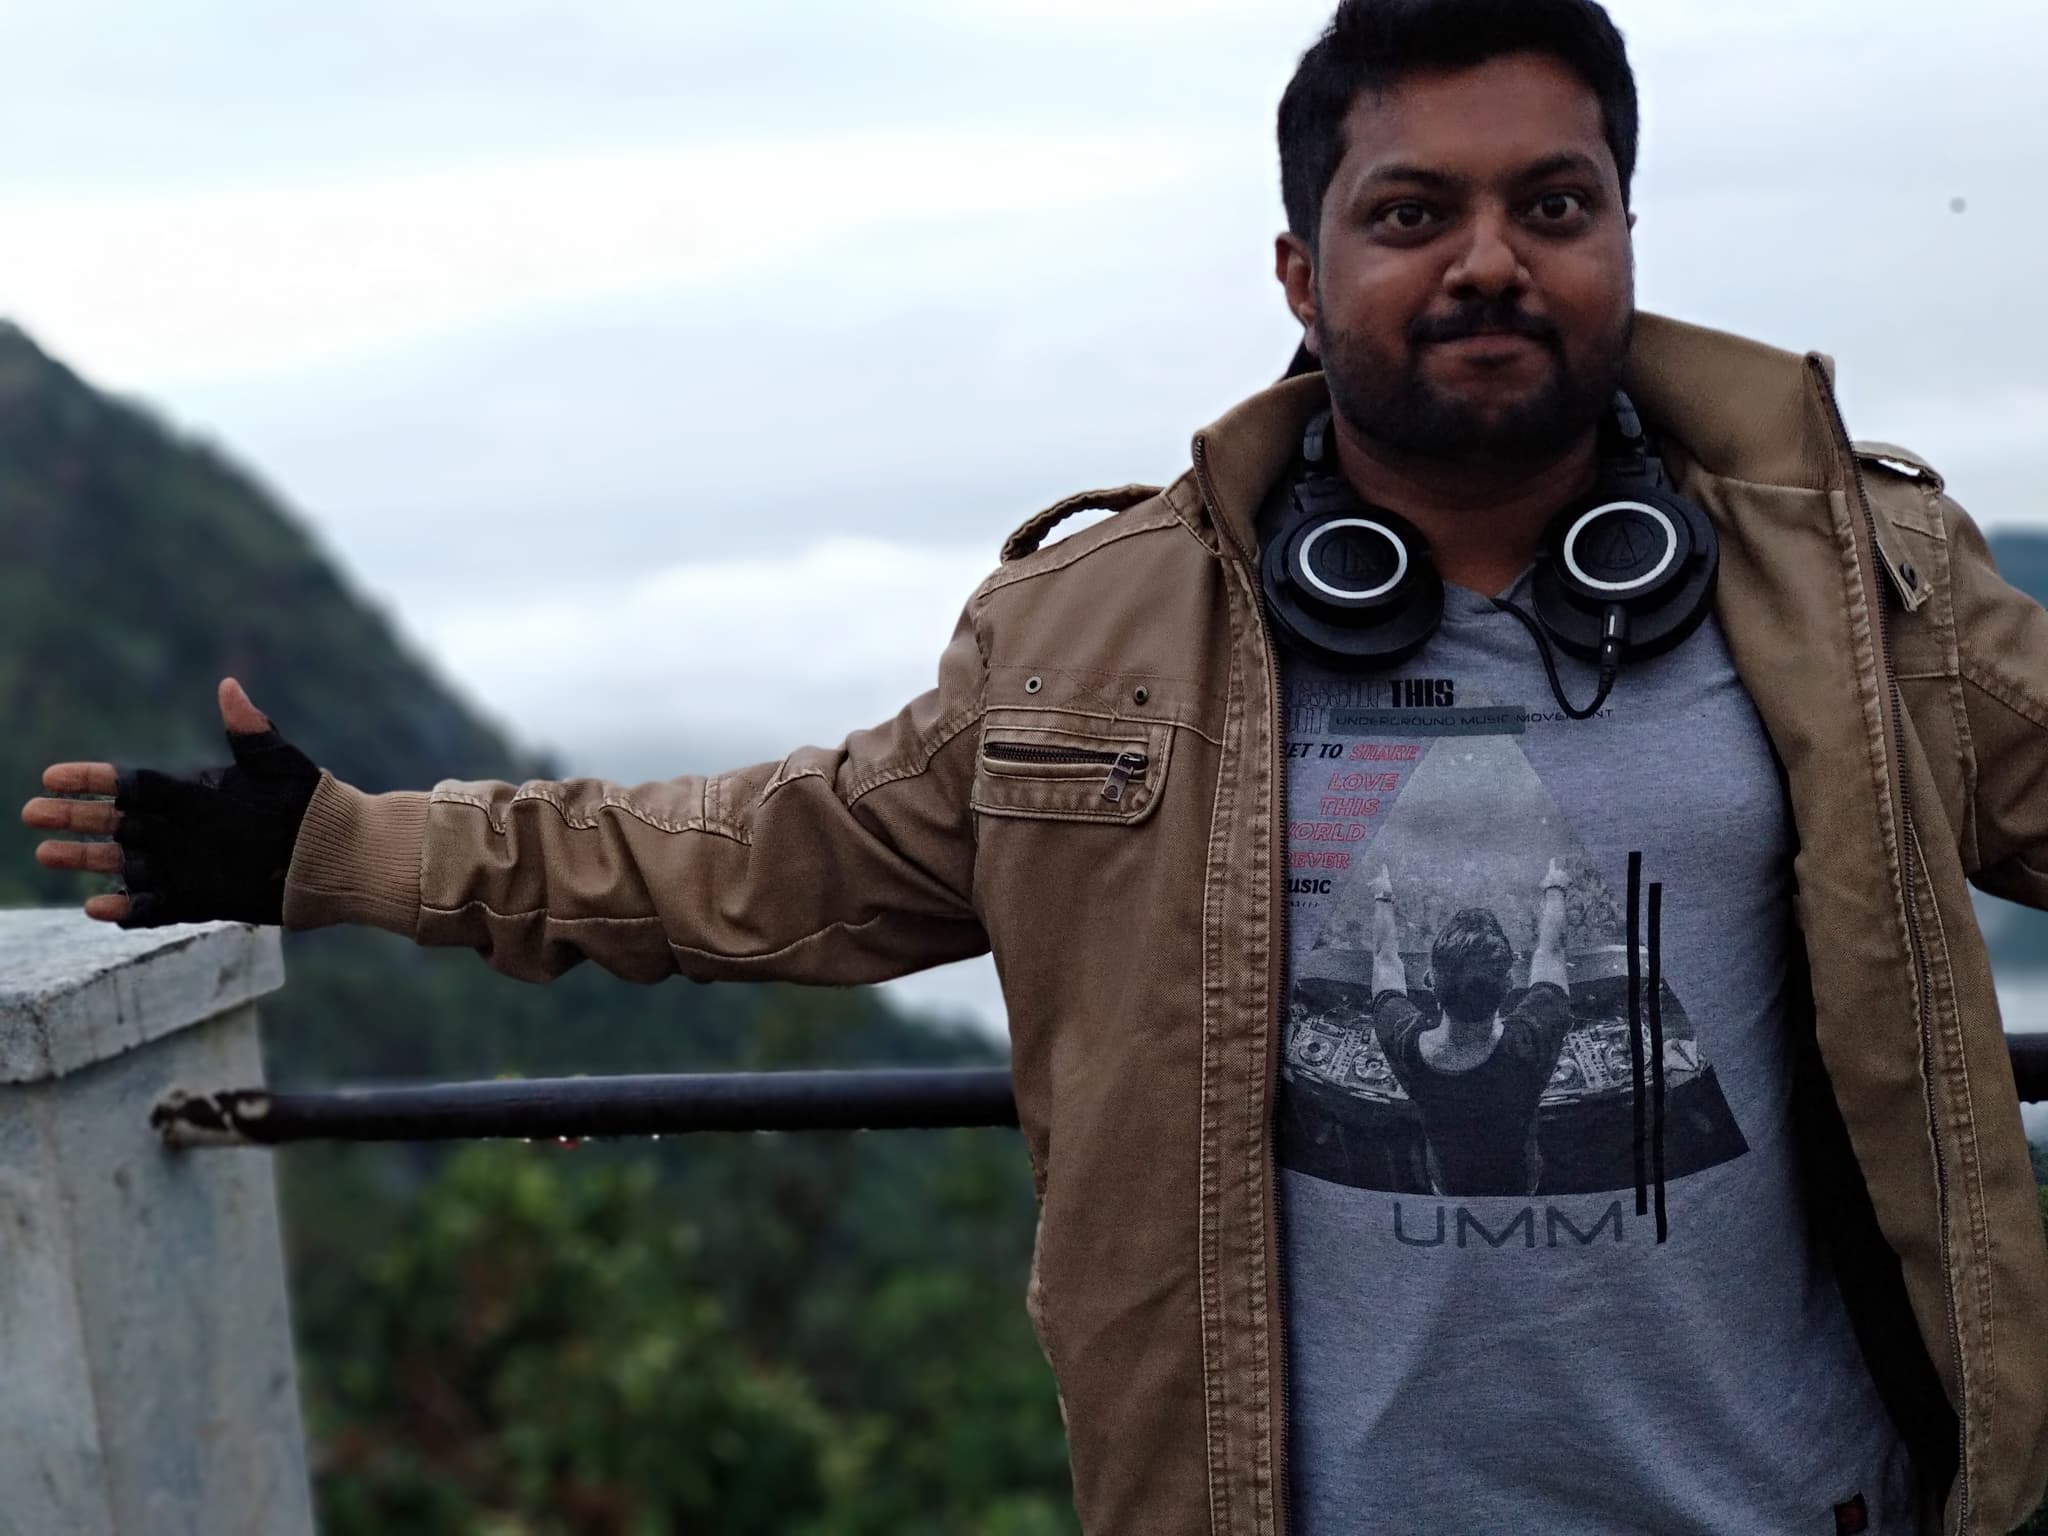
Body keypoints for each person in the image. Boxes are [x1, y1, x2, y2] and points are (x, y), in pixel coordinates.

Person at [20, 1, 2048, 1531]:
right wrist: (350, 850)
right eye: (1411, 211)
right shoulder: (1100, 636)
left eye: (1553, 203)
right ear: (1298, 269)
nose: (1489, 261)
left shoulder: (1858, 583)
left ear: (1623, 233)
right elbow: (765, 856)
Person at [1366, 863, 1574, 1197]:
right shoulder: (1530, 1039)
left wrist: (1383, 894)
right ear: (1509, 985)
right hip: (1521, 1186)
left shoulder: (1406, 1044)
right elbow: (1552, 951)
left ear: (1431, 981)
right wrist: (1555, 887)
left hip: (1448, 1185)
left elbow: (1384, 960)